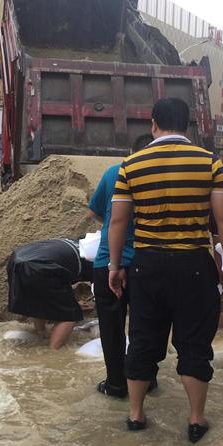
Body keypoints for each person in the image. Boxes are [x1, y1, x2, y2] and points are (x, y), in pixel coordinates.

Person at [108, 97, 223, 443]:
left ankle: (136, 415)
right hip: (194, 266)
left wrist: (115, 265)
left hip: (147, 265)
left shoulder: (130, 165)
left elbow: (118, 222)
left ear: (153, 124)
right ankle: (196, 420)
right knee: (194, 344)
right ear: (187, 126)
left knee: (142, 339)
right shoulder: (210, 163)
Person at [88, 133, 151, 398]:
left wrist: (117, 228)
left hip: (108, 262)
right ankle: (146, 380)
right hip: (145, 263)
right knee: (145, 326)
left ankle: (116, 385)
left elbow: (94, 212)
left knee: (111, 329)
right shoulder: (158, 175)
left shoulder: (115, 171)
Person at [7, 238, 94, 350]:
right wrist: (73, 306)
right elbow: (102, 292)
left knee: (38, 298)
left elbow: (51, 293)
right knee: (69, 315)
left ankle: (40, 333)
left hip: (17, 259)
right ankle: (54, 352)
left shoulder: (81, 242)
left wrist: (73, 302)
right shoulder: (101, 258)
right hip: (43, 267)